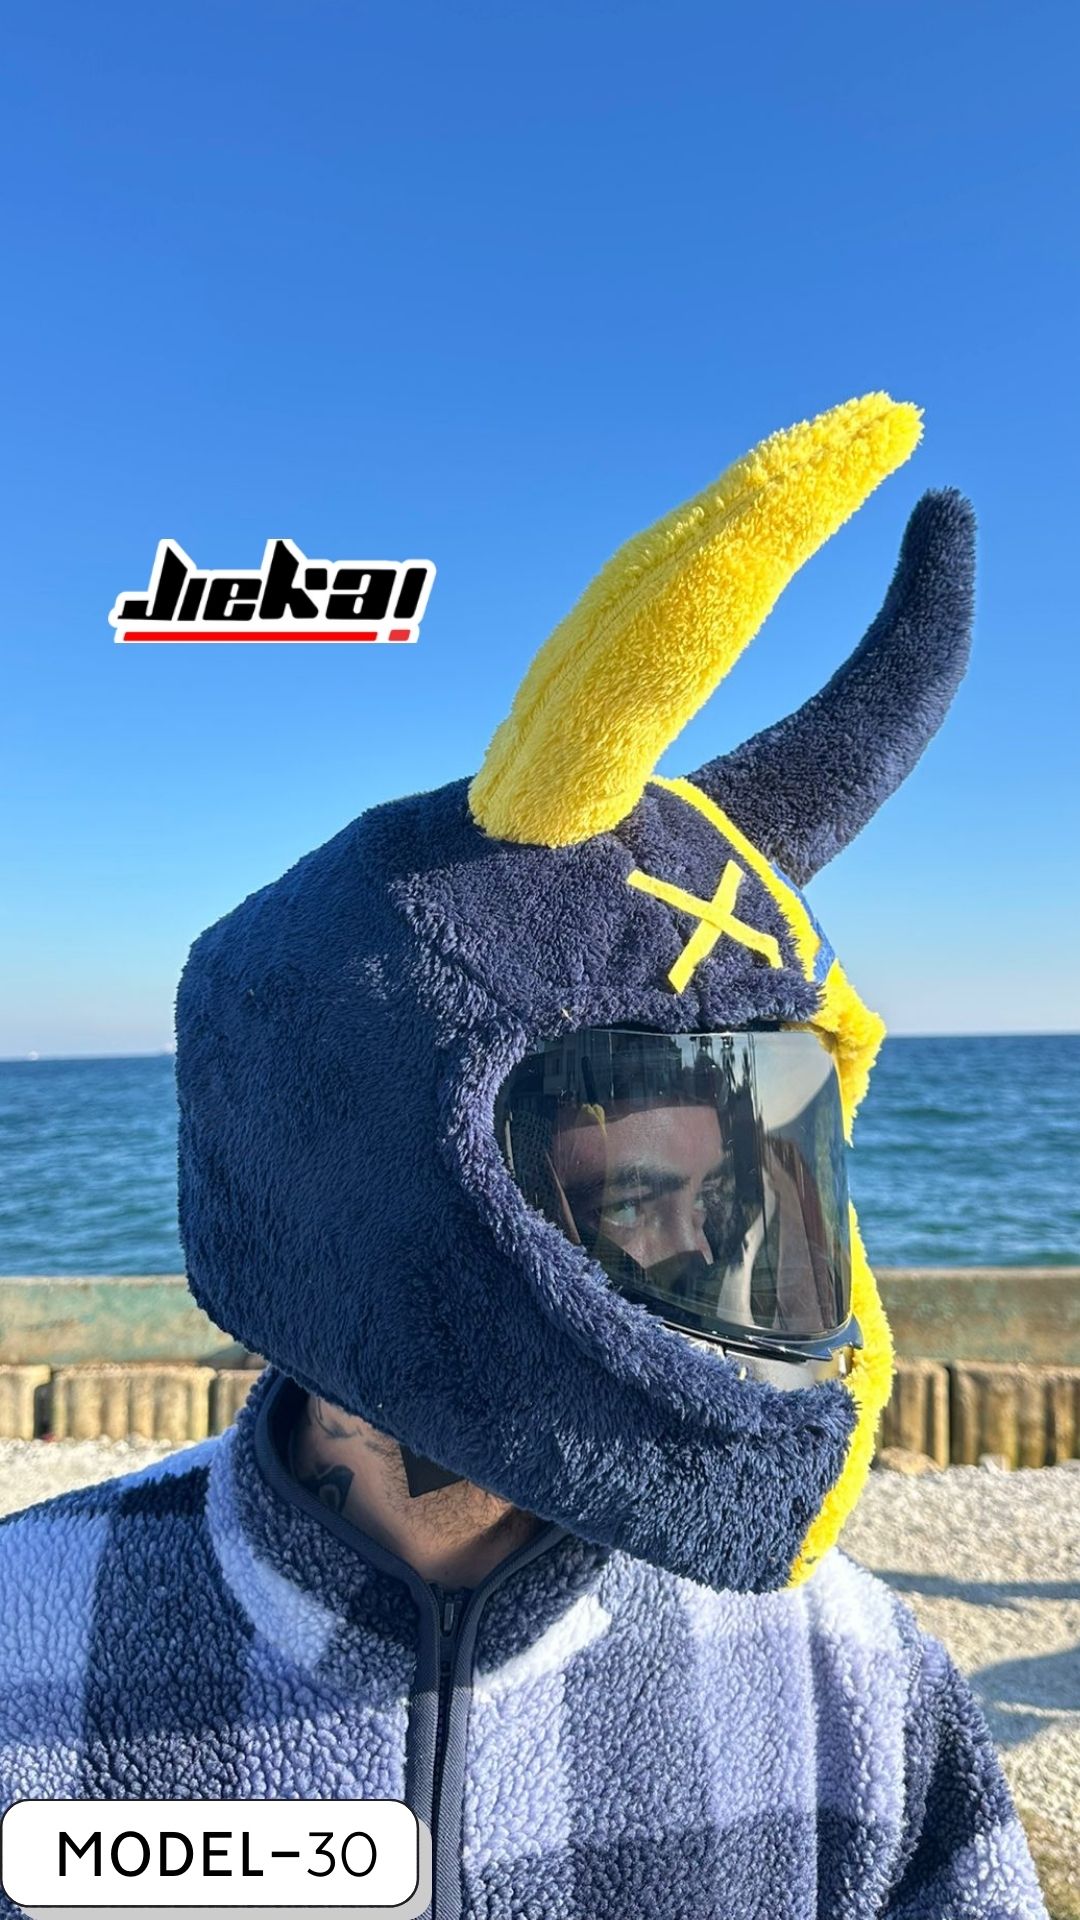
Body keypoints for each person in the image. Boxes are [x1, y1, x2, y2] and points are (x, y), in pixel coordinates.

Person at [0, 392, 1048, 1919]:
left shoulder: (860, 1691)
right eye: (632, 1197)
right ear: (370, 1168)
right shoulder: (29, 1639)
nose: (713, 1264)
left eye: (745, 1200)